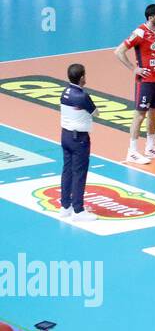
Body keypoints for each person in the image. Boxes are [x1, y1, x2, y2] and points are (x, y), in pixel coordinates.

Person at [114, 3, 155, 165]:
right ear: (150, 17)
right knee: (140, 115)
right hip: (145, 81)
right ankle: (132, 151)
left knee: (154, 113)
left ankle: (150, 147)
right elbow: (119, 51)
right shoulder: (140, 32)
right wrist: (134, 69)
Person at [58, 63, 96, 223]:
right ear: (82, 78)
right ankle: (78, 210)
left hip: (65, 136)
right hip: (79, 139)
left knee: (67, 170)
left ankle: (65, 206)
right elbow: (95, 112)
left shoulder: (64, 92)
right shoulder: (82, 96)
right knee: (79, 173)